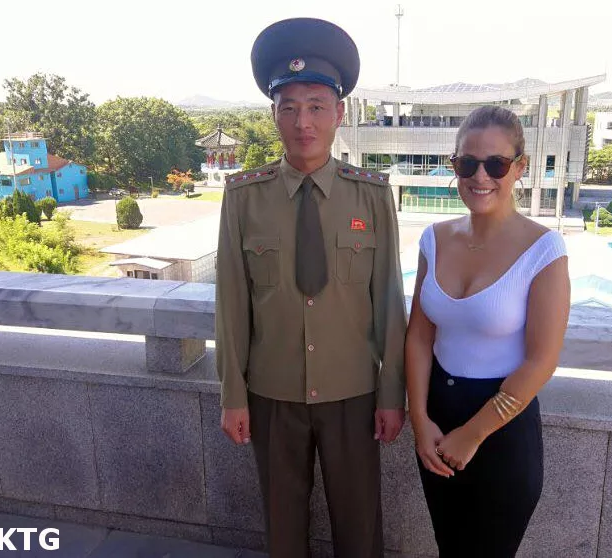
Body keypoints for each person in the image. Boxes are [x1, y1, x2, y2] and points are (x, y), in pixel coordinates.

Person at [214, 18, 407, 558]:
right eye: (290, 107)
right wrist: (233, 395)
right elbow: (230, 305)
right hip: (272, 394)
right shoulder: (244, 198)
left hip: (352, 393)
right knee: (282, 526)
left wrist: (392, 395)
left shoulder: (370, 197)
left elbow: (389, 302)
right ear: (273, 114)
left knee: (359, 527)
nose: (304, 122)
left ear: (339, 113)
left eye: (317, 106)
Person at [405, 106, 571, 557]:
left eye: (496, 164)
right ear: (454, 164)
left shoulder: (543, 248)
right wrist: (420, 421)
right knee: (449, 547)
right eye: (468, 163)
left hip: (501, 426)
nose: (481, 176)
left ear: (520, 167)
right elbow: (419, 336)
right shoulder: (434, 239)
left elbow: (542, 361)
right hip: (438, 419)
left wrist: (473, 434)